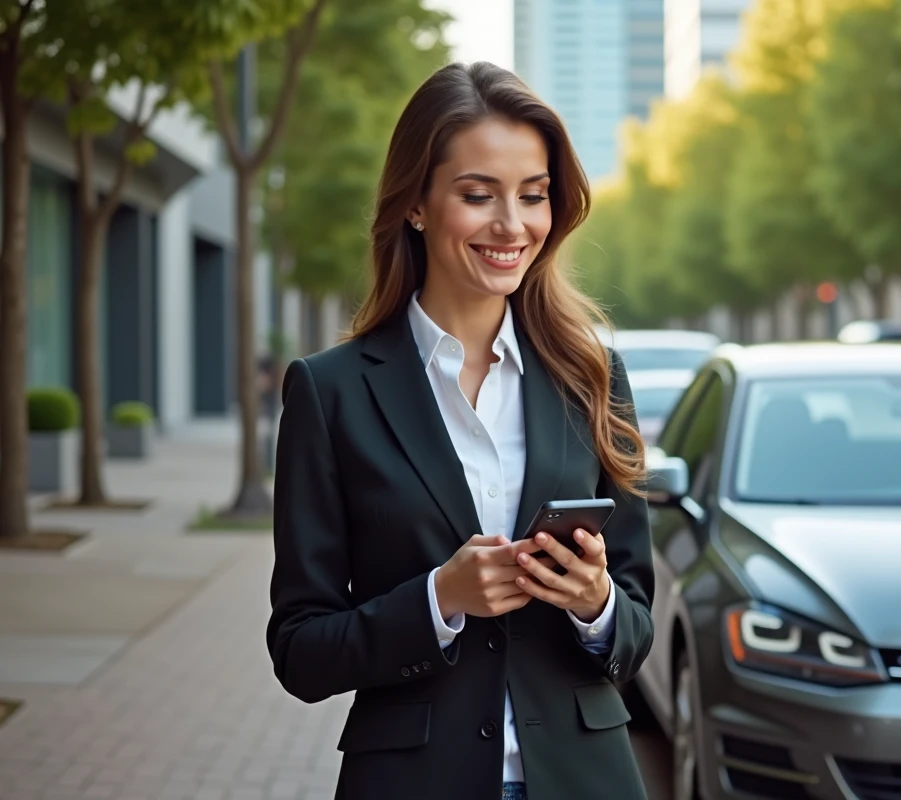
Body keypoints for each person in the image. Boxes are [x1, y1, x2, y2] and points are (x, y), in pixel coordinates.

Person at [265, 62, 655, 800]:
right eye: (479, 196)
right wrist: (439, 599)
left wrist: (595, 602)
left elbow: (636, 626)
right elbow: (300, 650)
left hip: (584, 779)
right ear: (416, 203)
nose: (512, 225)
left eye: (533, 196)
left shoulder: (593, 378)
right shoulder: (330, 391)